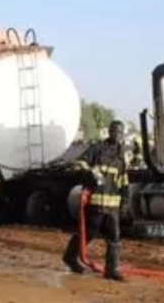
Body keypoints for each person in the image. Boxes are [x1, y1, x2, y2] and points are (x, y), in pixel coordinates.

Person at [62, 120, 129, 281]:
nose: (117, 135)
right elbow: (79, 163)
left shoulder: (121, 156)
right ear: (110, 131)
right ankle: (70, 257)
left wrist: (125, 202)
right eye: (115, 131)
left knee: (114, 238)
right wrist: (91, 172)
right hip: (96, 203)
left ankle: (111, 270)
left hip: (112, 207)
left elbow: (123, 181)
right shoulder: (97, 149)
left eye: (120, 132)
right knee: (89, 234)